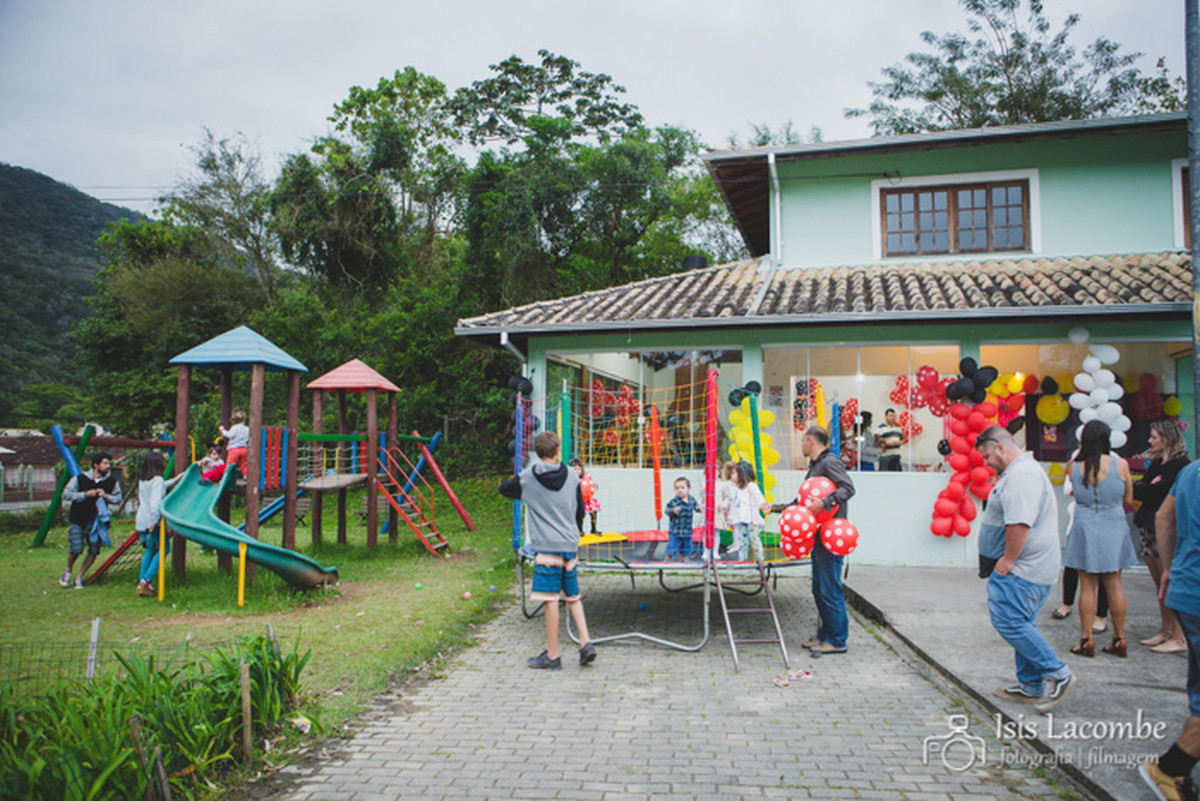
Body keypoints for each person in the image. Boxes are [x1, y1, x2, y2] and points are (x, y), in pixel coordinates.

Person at [975, 426, 1075, 713]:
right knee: (1021, 622)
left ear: (999, 447)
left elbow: (1019, 524)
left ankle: (1058, 673)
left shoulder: (1022, 476)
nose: (986, 462)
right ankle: (1031, 684)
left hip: (1022, 569)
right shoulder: (1018, 474)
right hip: (1024, 567)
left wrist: (1007, 560)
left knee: (1010, 622)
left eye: (986, 456)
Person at [500, 432, 596, 670]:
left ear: (537, 452)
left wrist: (529, 494)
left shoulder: (528, 478)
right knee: (572, 595)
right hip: (569, 544)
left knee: (550, 598)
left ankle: (553, 655)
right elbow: (580, 512)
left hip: (547, 547)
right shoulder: (573, 478)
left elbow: (504, 488)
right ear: (557, 451)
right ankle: (585, 643)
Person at [766, 425, 856, 654]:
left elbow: (848, 488)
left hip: (830, 537)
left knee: (830, 588)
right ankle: (824, 635)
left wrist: (825, 504)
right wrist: (775, 508)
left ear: (811, 441)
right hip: (817, 537)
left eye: (803, 440)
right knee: (819, 589)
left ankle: (837, 640)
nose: (801, 445)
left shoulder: (829, 463)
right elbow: (801, 503)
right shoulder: (816, 467)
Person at [1141, 458, 1200, 800]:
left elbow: (1163, 516)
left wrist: (1169, 568)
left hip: (1187, 586)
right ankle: (1169, 769)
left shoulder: (1191, 471)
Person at [1061, 420, 1137, 658]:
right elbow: (1128, 500)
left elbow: (1073, 491)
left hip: (1085, 524)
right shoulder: (1121, 465)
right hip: (1113, 524)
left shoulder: (1073, 466)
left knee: (1087, 584)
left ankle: (1086, 639)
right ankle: (1119, 638)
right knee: (1114, 584)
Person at [1136, 420, 1190, 654]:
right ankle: (1166, 629)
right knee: (1159, 583)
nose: (1150, 441)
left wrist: (1148, 486)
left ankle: (1180, 635)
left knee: (1171, 583)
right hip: (1148, 525)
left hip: (1166, 529)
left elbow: (1157, 491)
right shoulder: (1158, 462)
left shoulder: (1180, 466)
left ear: (1166, 439)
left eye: (1154, 437)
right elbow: (1141, 489)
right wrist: (1148, 486)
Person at [59, 452, 123, 589]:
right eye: (105, 463)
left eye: (109, 464)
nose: (108, 466)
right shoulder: (80, 478)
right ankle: (68, 570)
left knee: (94, 550)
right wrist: (84, 495)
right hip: (79, 518)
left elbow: (118, 498)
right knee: (76, 548)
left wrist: (106, 496)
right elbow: (65, 494)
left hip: (97, 521)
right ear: (96, 465)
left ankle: (79, 577)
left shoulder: (112, 482)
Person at [134, 452, 181, 597]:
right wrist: (154, 521)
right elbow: (155, 502)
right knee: (165, 549)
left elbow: (160, 486)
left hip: (141, 518)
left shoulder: (144, 480)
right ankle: (147, 581)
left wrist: (176, 479)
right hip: (152, 521)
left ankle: (141, 584)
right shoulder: (158, 479)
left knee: (149, 550)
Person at [727, 462, 765, 562]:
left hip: (752, 520)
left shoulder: (751, 486)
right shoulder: (735, 489)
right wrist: (731, 518)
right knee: (742, 542)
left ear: (742, 475)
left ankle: (760, 560)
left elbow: (759, 497)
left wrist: (762, 505)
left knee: (754, 540)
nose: (732, 476)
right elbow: (733, 505)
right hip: (741, 520)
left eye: (734, 474)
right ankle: (742, 560)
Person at [664, 477, 701, 560]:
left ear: (689, 489)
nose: (680, 490)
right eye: (677, 488)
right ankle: (666, 562)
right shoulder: (674, 501)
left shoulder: (691, 499)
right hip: (676, 531)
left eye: (682, 488)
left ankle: (685, 560)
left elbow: (696, 507)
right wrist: (673, 511)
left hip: (687, 531)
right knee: (671, 549)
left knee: (687, 549)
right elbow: (667, 510)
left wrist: (698, 509)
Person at [568, 457, 601, 535]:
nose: (577, 471)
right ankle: (580, 530)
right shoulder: (571, 478)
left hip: (588, 499)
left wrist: (595, 487)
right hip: (578, 500)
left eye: (579, 469)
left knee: (593, 512)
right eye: (575, 469)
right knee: (581, 514)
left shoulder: (586, 477)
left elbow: (592, 485)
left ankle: (594, 528)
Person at [715, 461, 737, 557]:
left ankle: (737, 545)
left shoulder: (729, 484)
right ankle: (735, 543)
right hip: (729, 507)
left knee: (735, 526)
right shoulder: (728, 484)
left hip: (733, 508)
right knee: (733, 526)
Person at [221, 411, 250, 476]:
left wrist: (223, 431)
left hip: (234, 449)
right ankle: (246, 476)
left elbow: (230, 435)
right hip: (244, 449)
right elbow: (248, 437)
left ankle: (227, 477)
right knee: (244, 464)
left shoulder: (234, 428)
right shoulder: (247, 429)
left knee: (230, 464)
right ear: (244, 419)